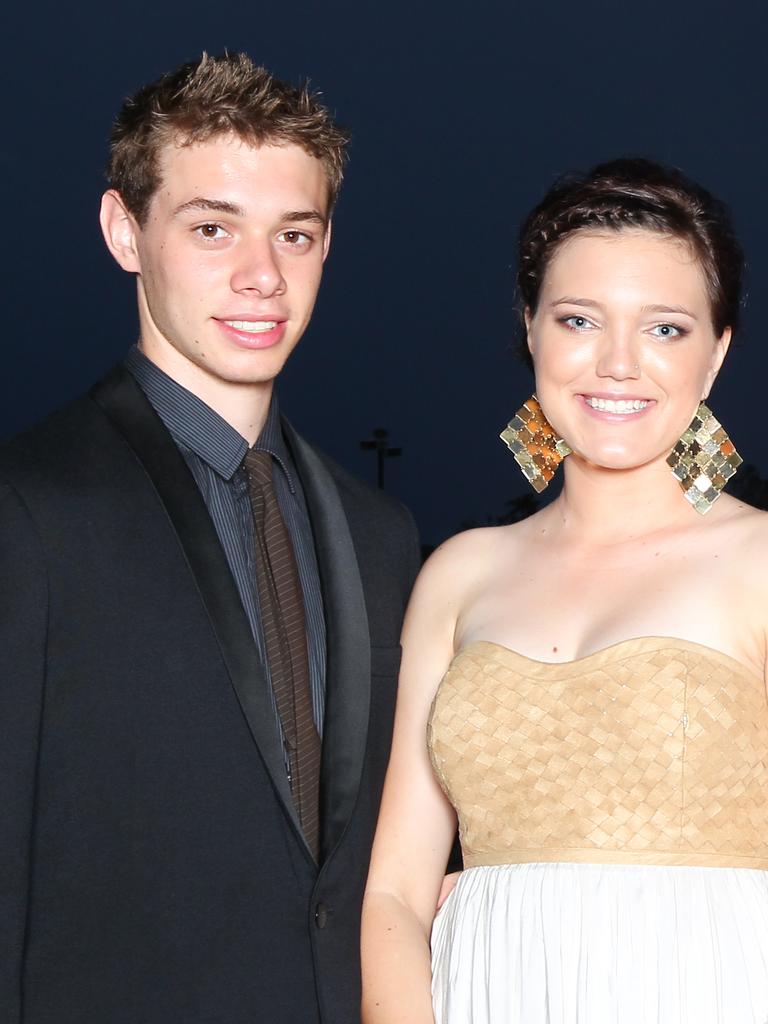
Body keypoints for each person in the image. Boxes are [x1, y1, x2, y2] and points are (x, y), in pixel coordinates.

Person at [0, 53, 420, 1024]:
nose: (261, 275)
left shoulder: (381, 534)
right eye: (212, 227)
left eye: (295, 234)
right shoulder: (29, 509)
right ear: (125, 232)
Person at [361, 158, 768, 1023]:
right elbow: (394, 895)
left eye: (665, 329)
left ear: (716, 355)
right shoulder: (460, 572)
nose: (617, 363)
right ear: (533, 332)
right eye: (579, 319)